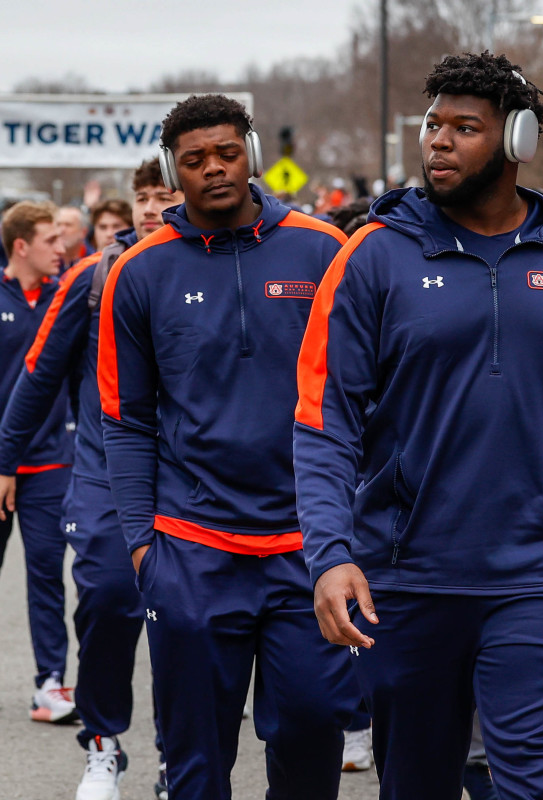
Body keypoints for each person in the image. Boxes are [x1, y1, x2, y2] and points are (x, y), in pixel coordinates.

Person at [292, 53, 543, 800]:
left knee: (541, 783)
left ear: (517, 139)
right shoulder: (373, 254)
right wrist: (330, 555)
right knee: (417, 783)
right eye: (434, 125)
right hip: (410, 578)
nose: (440, 142)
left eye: (465, 127)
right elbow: (325, 424)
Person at [98, 94, 358, 800]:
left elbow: (366, 399)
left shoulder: (322, 248)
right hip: (190, 548)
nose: (214, 169)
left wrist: (355, 528)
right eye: (194, 160)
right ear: (171, 170)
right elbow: (126, 419)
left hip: (308, 549)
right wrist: (141, 546)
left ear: (250, 153)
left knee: (311, 729)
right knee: (195, 756)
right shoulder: (138, 271)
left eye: (226, 153)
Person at [0, 160, 180, 800]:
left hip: (192, 477)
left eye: (166, 196)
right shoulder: (91, 275)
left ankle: (174, 759)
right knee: (106, 595)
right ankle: (103, 744)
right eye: (143, 197)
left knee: (184, 622)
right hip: (104, 473)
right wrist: (3, 458)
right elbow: (40, 374)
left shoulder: (218, 265)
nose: (152, 208)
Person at [0, 200, 74, 727]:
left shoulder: (66, 296)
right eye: (50, 239)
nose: (62, 248)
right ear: (21, 245)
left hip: (50, 463)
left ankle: (50, 683)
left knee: (48, 575)